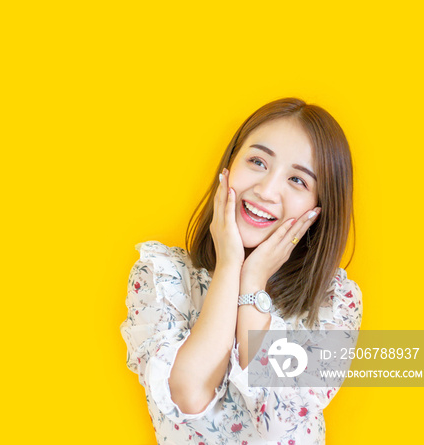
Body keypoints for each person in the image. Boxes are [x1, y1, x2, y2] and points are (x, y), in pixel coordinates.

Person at [120, 97, 362, 445]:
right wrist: (230, 265)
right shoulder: (163, 276)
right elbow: (190, 392)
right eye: (257, 161)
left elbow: (283, 428)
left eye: (298, 180)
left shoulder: (334, 302)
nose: (265, 190)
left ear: (319, 209)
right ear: (229, 166)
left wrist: (253, 284)